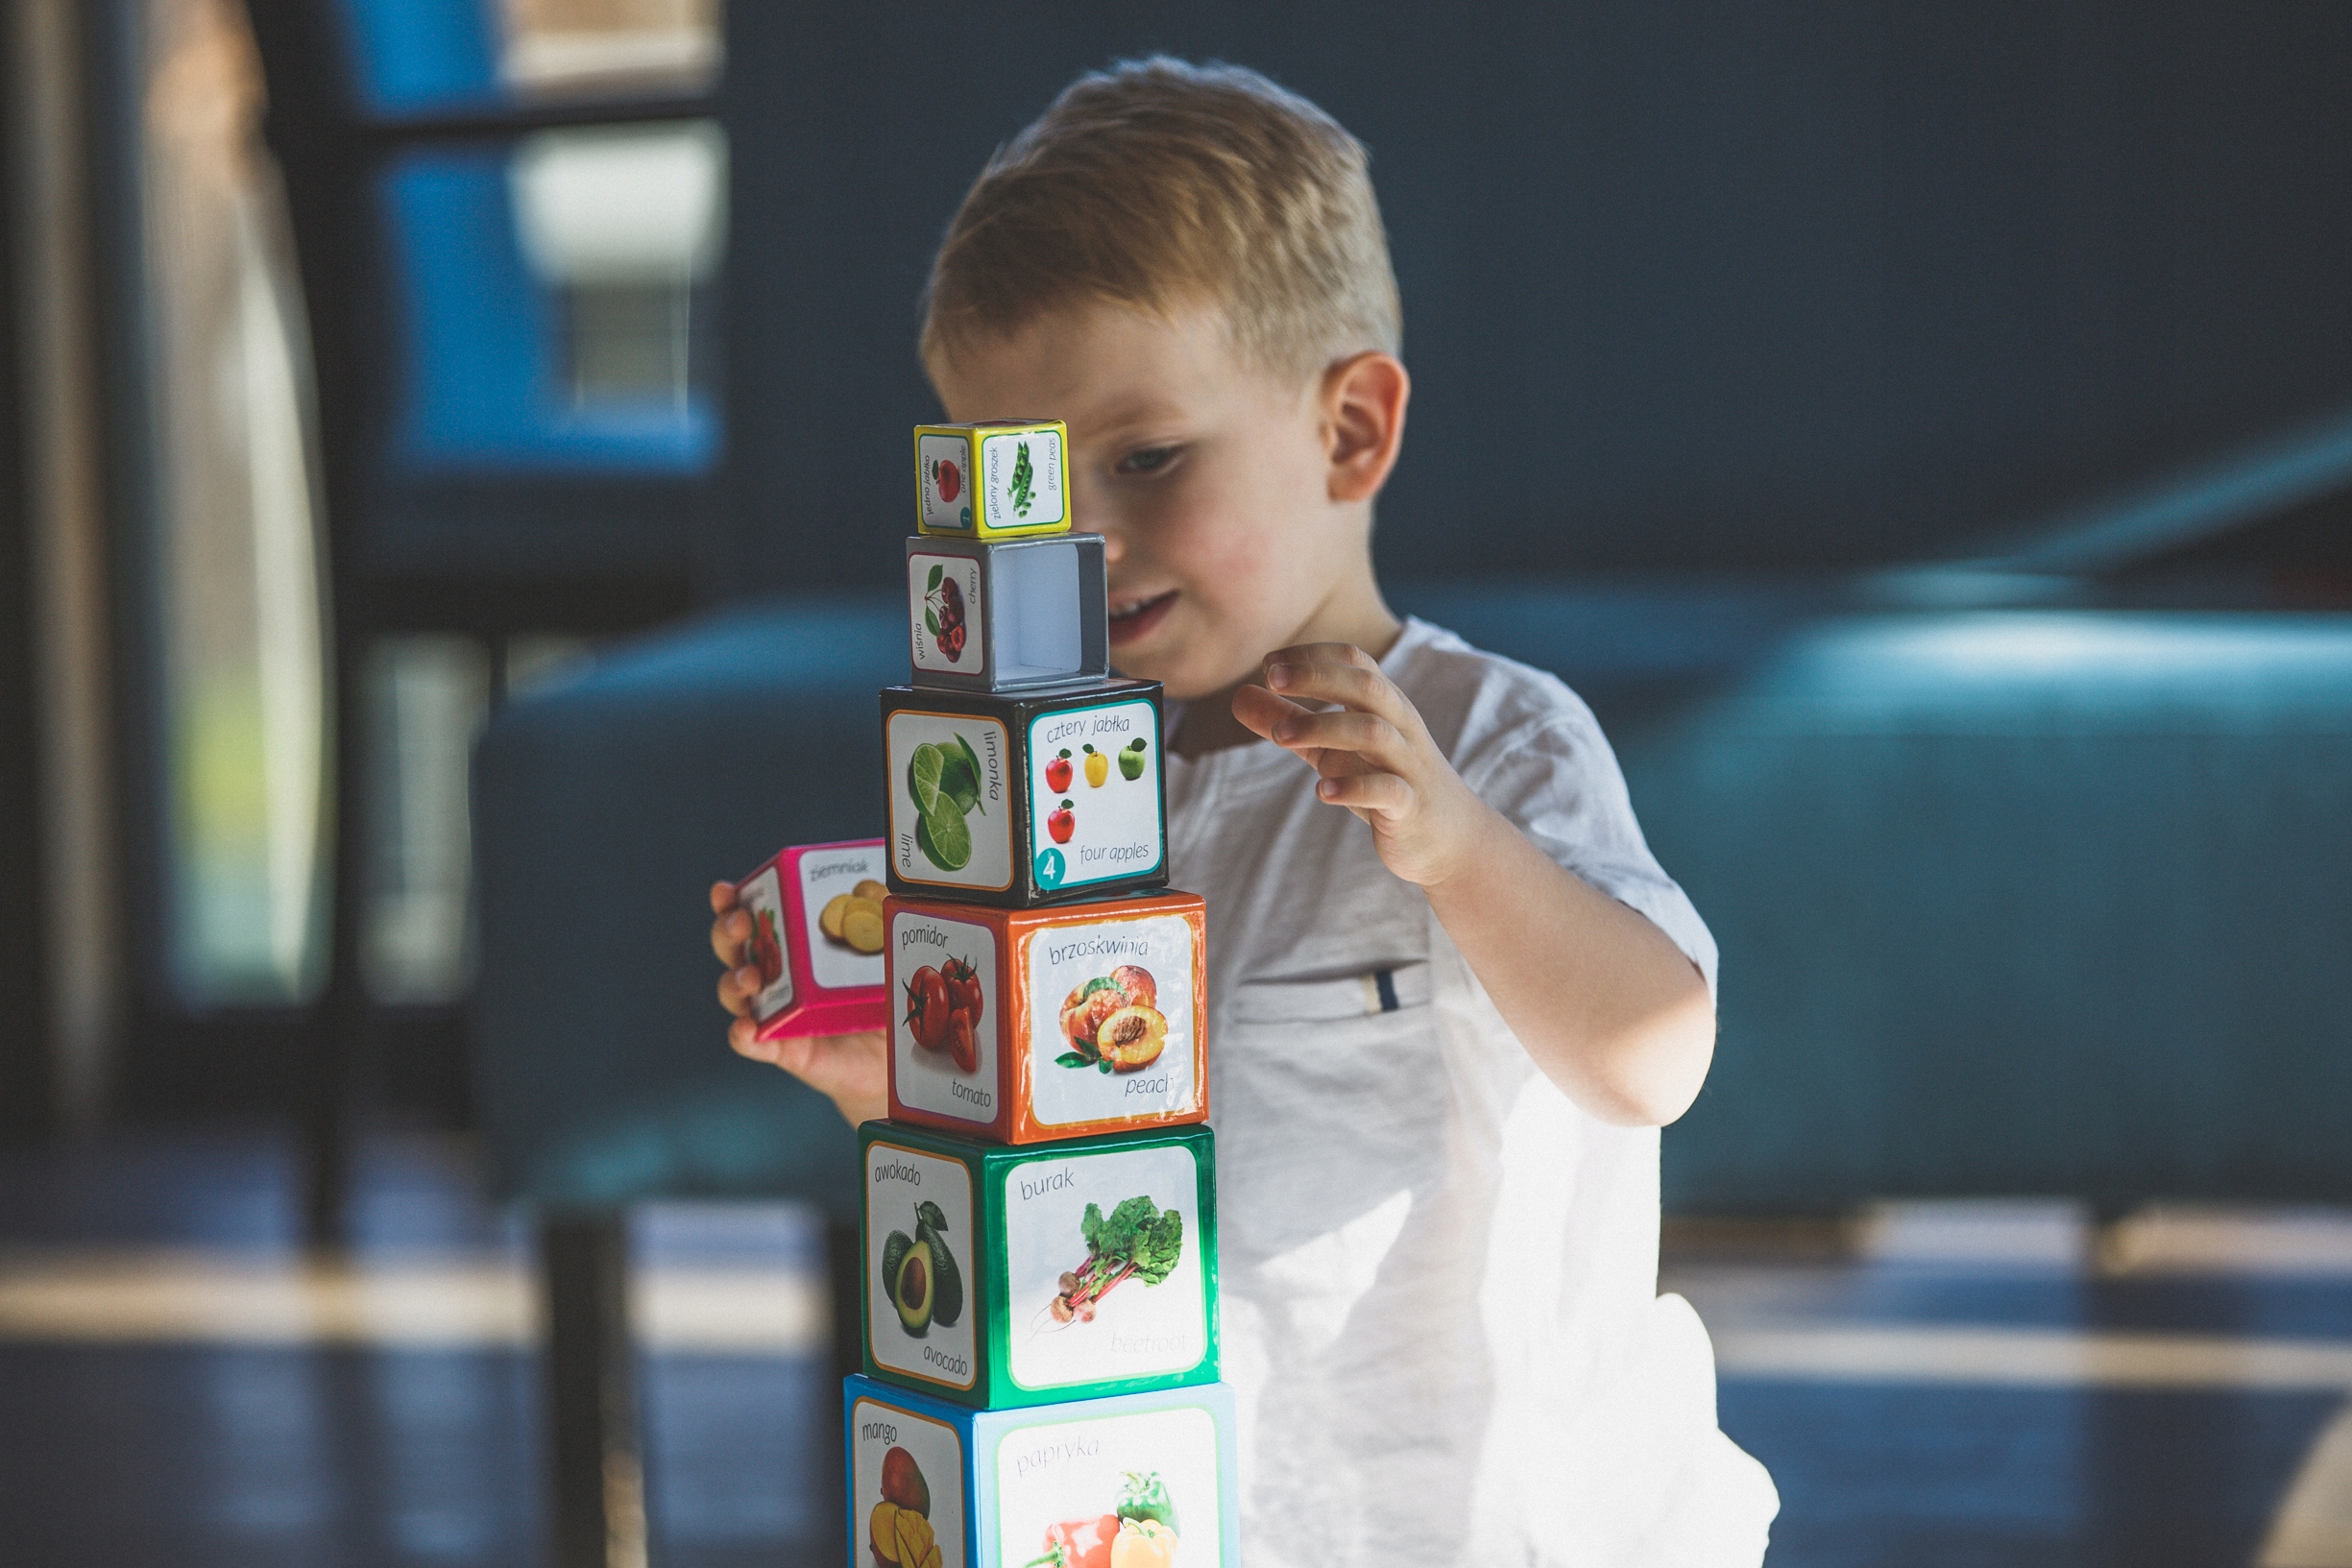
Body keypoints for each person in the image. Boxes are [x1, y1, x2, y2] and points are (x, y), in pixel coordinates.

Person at [710, 57, 1778, 1565]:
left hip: (1485, 1529)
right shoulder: (1053, 784)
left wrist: (1459, 849)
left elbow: (1653, 1057)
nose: (1079, 538)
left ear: (1349, 432)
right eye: (1020, 488)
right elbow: (1067, 1187)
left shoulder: (1485, 739)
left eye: (1145, 459)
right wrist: (914, 1091)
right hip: (1180, 1515)